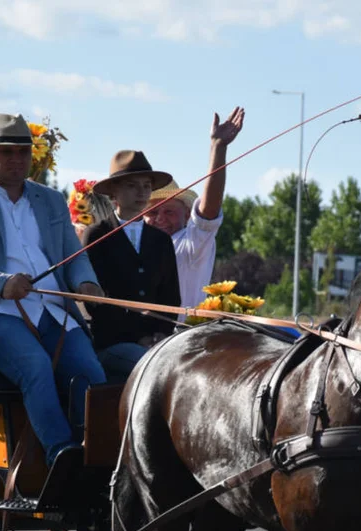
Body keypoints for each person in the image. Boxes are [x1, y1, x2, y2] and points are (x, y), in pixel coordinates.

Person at [0, 113, 106, 474]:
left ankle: (99, 463)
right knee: (35, 365)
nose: (17, 160)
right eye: (7, 152)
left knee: (91, 373)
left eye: (23, 153)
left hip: (54, 310)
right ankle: (63, 458)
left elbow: (72, 258)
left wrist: (86, 283)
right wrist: (1, 283)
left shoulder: (50, 199)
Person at [82, 151, 180, 382]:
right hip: (112, 344)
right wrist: (138, 339)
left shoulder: (161, 240)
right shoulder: (97, 235)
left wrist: (160, 334)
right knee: (158, 371)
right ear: (114, 191)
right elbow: (96, 303)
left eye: (147, 186)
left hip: (159, 341)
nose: (142, 192)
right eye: (132, 185)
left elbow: (170, 297)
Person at [143, 106, 245, 309]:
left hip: (180, 337)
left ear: (187, 215)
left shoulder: (192, 242)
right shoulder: (133, 244)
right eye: (152, 212)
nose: (161, 218)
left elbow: (208, 212)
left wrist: (218, 147)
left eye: (169, 211)